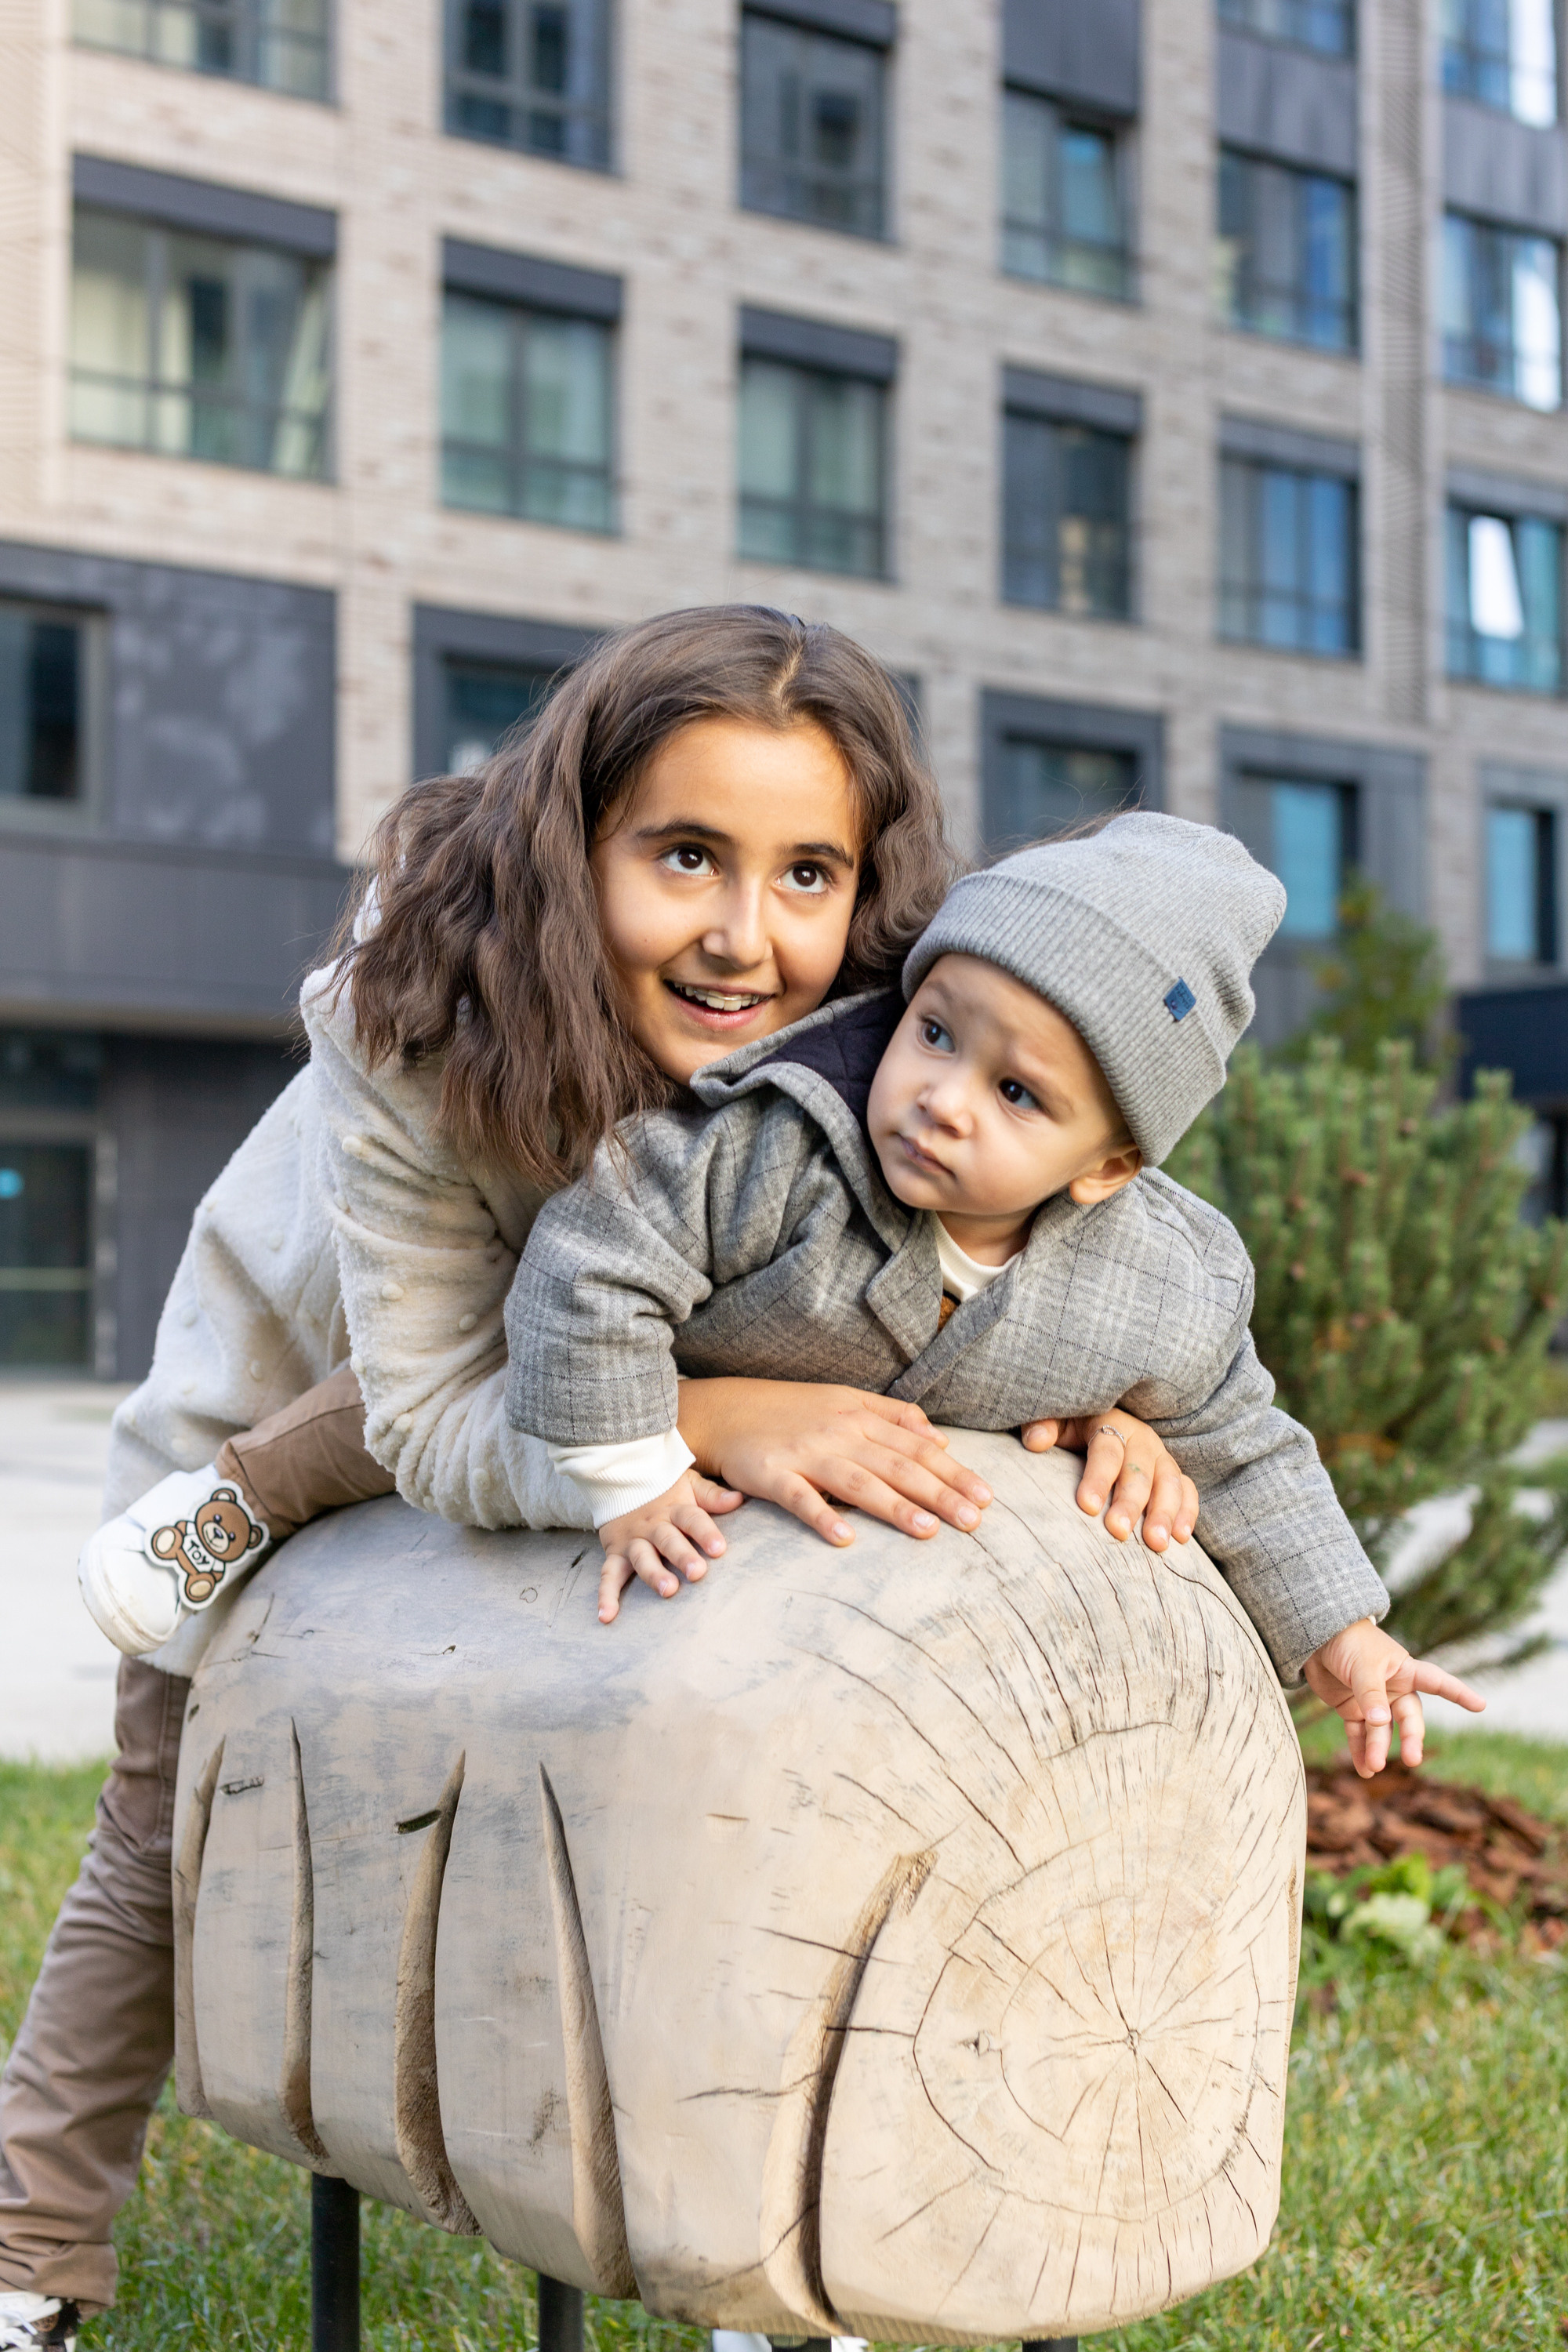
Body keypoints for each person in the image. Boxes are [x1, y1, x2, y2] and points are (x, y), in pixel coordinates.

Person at [1, 609, 1193, 2352]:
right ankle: (30, 2246)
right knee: (163, 1843)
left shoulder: (887, 1049)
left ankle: (771, 2268)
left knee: (741, 1811)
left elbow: (1003, 1260)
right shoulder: (416, 1030)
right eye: (685, 857)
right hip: (343, 1438)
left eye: (807, 875)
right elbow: (422, 1414)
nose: (742, 935)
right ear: (577, 852)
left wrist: (1106, 1404)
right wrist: (702, 1419)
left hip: (611, 1462)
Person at [506, 813, 1486, 1768]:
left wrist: (1340, 1632)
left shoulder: (1160, 1284)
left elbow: (1239, 1449)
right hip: (689, 1590)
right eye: (934, 1033)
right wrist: (631, 1476)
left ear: (1108, 1164)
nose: (943, 1099)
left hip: (922, 1669)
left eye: (1015, 1094)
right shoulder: (775, 1146)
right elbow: (592, 1265)